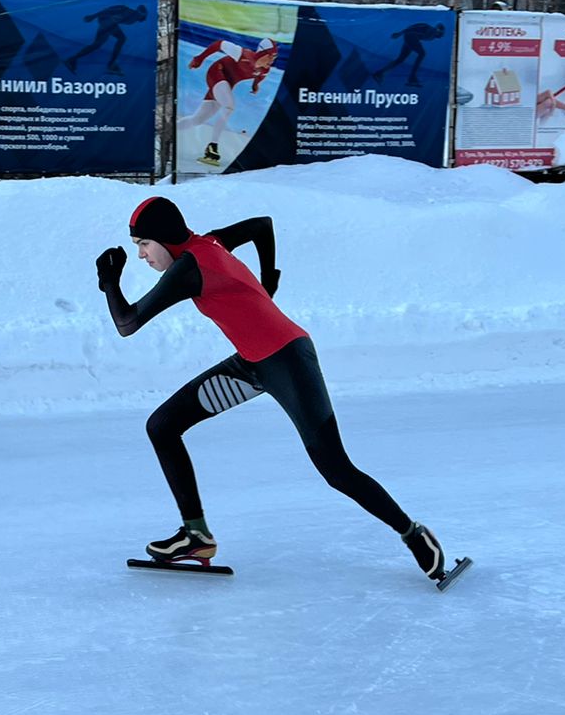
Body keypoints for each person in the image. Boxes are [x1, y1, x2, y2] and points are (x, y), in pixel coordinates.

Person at [95, 196, 451, 582]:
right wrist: (269, 279)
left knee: (336, 469)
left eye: (144, 244)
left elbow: (128, 323)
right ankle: (196, 535)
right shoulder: (211, 242)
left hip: (288, 363)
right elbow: (262, 225)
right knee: (162, 425)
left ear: (165, 238)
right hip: (251, 365)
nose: (142, 255)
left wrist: (109, 282)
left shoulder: (189, 267)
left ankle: (414, 534)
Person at [177, 36, 278, 168]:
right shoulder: (243, 54)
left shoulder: (265, 70)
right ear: (262, 53)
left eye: (274, 57)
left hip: (227, 84)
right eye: (270, 56)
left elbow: (259, 77)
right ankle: (212, 147)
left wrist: (255, 85)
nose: (272, 60)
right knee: (229, 106)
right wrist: (199, 59)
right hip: (216, 72)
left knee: (198, 119)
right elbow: (219, 44)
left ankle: (170, 131)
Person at [65, 3, 148, 75]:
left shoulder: (132, 20)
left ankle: (72, 59)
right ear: (136, 12)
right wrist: (93, 16)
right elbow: (107, 10)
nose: (137, 18)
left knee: (97, 44)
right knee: (121, 39)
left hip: (108, 23)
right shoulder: (125, 10)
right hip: (106, 20)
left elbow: (116, 20)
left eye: (139, 17)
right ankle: (111, 64)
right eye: (138, 15)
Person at [373, 22, 447, 87]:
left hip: (411, 38)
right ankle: (412, 77)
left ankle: (379, 73)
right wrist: (399, 33)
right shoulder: (427, 28)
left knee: (400, 59)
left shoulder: (432, 36)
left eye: (441, 33)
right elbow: (412, 27)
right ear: (437, 30)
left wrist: (405, 35)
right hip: (410, 37)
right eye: (440, 32)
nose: (440, 35)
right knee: (422, 54)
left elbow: (417, 34)